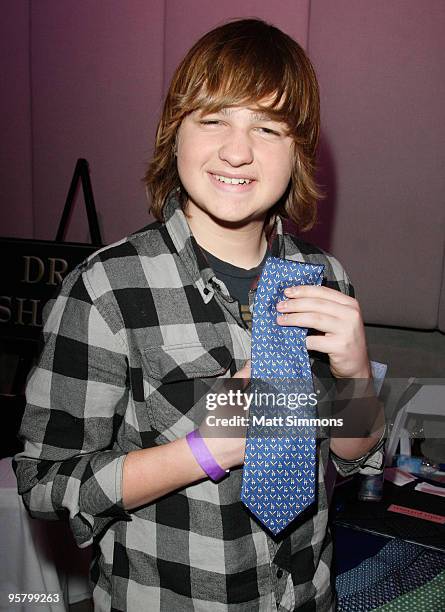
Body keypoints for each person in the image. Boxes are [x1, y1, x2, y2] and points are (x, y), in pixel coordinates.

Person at [14, 19, 384, 611]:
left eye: (268, 128)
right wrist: (204, 451)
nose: (238, 150)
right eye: (213, 119)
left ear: (298, 152)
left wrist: (357, 376)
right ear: (174, 134)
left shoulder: (326, 278)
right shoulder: (107, 289)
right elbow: (44, 486)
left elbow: (356, 453)